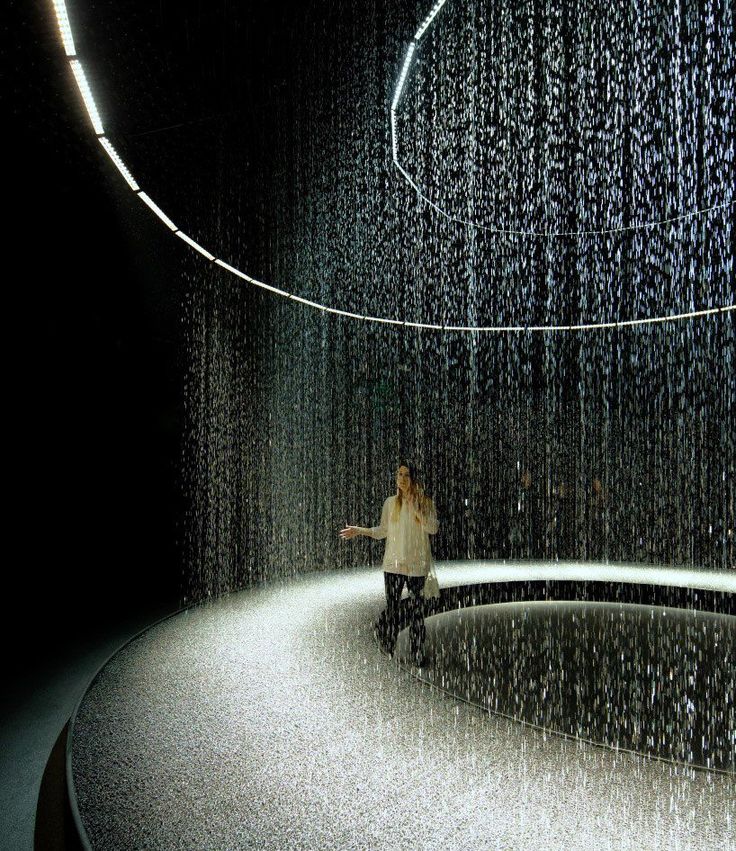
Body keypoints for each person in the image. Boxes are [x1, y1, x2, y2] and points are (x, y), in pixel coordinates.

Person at [339, 462, 438, 666]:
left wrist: (414, 505)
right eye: (399, 474)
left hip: (416, 567)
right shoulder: (390, 503)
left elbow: (432, 528)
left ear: (414, 479)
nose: (401, 479)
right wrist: (360, 530)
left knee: (417, 612)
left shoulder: (425, 502)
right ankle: (390, 648)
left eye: (406, 475)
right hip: (392, 566)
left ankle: (417, 652)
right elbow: (383, 531)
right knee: (392, 610)